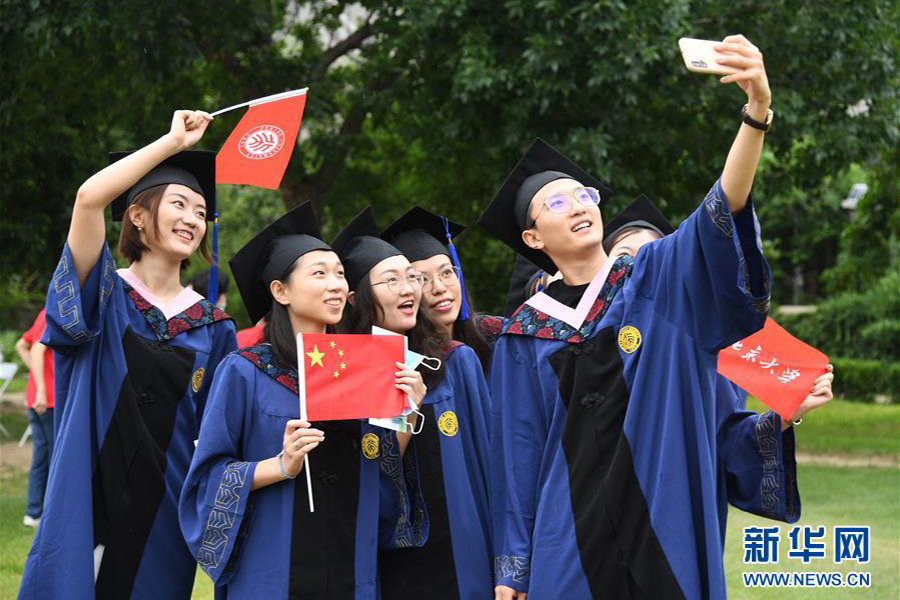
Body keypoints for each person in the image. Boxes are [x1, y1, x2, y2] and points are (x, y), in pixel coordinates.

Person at [478, 35, 793, 599]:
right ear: (532, 238)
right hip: (570, 534)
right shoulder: (524, 335)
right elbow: (518, 455)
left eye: (584, 195)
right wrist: (513, 569)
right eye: (556, 203)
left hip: (660, 520)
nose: (578, 205)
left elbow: (722, 205)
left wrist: (756, 114)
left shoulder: (652, 280)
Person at [19, 110, 237, 600]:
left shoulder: (214, 325)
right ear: (137, 214)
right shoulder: (104, 294)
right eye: (179, 204)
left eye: (201, 212)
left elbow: (216, 430)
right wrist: (171, 143)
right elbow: (88, 199)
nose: (192, 219)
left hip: (165, 508)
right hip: (88, 492)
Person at [180, 202, 426, 599]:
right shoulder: (245, 371)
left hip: (350, 563)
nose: (337, 285)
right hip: (273, 569)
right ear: (281, 291)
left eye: (340, 274)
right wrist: (281, 465)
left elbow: (379, 469)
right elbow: (208, 477)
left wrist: (405, 414)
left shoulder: (364, 365)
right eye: (320, 273)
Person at [376, 207, 494, 598]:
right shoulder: (394, 366)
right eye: (420, 279)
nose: (440, 288)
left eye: (446, 272)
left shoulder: (497, 340)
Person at [16, 308, 55, 528]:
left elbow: (21, 345)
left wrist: (35, 374)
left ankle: (33, 513)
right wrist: (42, 387)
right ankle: (46, 513)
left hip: (38, 398)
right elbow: (38, 349)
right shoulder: (53, 312)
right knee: (54, 457)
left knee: (41, 457)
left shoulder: (44, 313)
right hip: (47, 400)